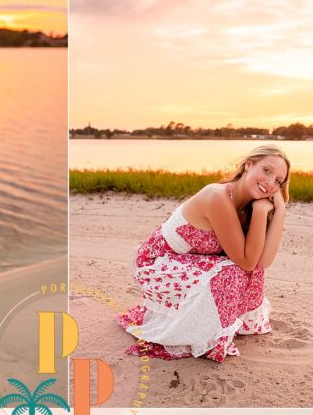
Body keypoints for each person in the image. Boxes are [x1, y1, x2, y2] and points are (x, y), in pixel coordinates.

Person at [118, 145, 290, 362]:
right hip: (156, 265)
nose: (270, 181)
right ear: (249, 165)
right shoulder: (216, 196)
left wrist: (277, 210)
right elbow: (247, 262)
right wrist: (262, 210)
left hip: (188, 264)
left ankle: (218, 324)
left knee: (250, 271)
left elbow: (261, 262)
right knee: (231, 271)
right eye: (267, 170)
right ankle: (198, 330)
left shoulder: (250, 208)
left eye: (278, 180)